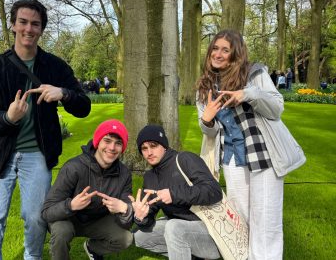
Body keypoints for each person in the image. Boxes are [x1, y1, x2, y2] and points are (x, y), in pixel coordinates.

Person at [0, 0, 91, 260]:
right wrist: (8, 117)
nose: (29, 28)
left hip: (37, 155)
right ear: (14, 25)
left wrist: (63, 93)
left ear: (41, 29)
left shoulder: (55, 66)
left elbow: (83, 106)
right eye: (23, 22)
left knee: (36, 219)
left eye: (35, 24)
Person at [195, 29, 305, 260]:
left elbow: (276, 108)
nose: (218, 54)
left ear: (236, 53)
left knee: (265, 221)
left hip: (262, 155)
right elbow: (209, 130)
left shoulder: (254, 74)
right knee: (241, 219)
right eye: (215, 48)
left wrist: (247, 94)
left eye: (225, 50)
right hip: (231, 159)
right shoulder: (205, 87)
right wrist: (207, 117)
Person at [41, 119, 133, 260]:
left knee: (125, 238)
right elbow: (47, 212)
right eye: (107, 141)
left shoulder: (124, 173)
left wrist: (125, 209)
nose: (112, 147)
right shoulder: (73, 167)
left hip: (98, 220)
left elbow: (126, 220)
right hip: (69, 219)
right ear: (97, 142)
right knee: (61, 232)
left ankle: (93, 248)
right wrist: (70, 205)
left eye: (118, 143)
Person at [131, 125, 222, 260]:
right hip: (181, 230)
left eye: (153, 145)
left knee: (174, 227)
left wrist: (174, 195)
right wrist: (141, 217)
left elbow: (214, 191)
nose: (149, 152)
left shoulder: (185, 159)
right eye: (144, 148)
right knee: (139, 236)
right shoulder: (150, 177)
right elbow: (149, 217)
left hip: (212, 233)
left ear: (164, 145)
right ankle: (188, 254)